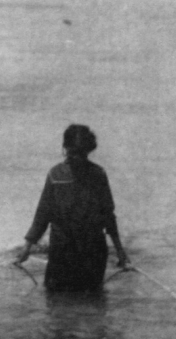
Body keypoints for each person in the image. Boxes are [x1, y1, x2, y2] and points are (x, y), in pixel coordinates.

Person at [16, 124, 128, 292]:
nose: (76, 158)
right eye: (74, 152)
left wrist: (120, 252)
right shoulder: (96, 174)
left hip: (71, 253)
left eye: (79, 153)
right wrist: (26, 249)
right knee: (89, 304)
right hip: (78, 253)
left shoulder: (58, 174)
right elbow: (43, 214)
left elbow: (108, 216)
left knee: (59, 304)